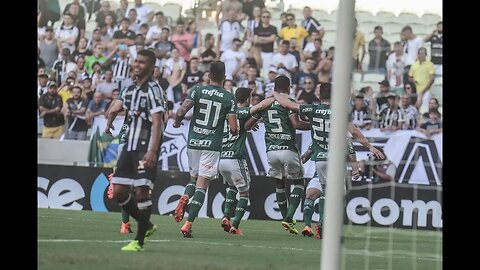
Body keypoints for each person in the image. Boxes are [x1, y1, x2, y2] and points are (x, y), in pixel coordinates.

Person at [273, 82, 385, 237]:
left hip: (319, 159)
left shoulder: (311, 109)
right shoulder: (339, 112)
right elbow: (354, 132)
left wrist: (275, 94)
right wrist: (370, 147)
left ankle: (320, 224)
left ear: (319, 95)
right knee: (337, 196)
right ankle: (323, 224)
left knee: (325, 191)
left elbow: (286, 104)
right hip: (336, 160)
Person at [105, 49, 166, 251]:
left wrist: (152, 151)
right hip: (128, 147)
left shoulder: (154, 90)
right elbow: (120, 110)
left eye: (142, 62)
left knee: (141, 193)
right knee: (119, 192)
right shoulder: (129, 90)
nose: (137, 64)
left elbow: (157, 122)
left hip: (144, 148)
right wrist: (111, 118)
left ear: (151, 67)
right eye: (136, 61)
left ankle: (139, 241)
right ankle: (146, 225)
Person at [172, 61, 238, 238]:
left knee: (192, 180)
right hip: (212, 145)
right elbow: (233, 129)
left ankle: (185, 197)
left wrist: (177, 122)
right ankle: (188, 224)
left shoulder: (197, 90)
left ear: (209, 75)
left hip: (193, 142)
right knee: (202, 186)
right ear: (224, 77)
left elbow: (182, 110)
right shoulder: (229, 97)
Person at [244, 75, 310, 235]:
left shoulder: (266, 102)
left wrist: (255, 124)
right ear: (288, 87)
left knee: (280, 184)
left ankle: (285, 219)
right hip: (288, 148)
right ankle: (288, 217)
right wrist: (315, 125)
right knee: (299, 183)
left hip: (271, 150)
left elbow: (247, 125)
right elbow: (296, 124)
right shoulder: (288, 101)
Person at [219, 87, 276, 235]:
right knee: (244, 193)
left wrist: (252, 122)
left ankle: (226, 217)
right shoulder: (242, 111)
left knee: (232, 186)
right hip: (235, 158)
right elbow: (260, 107)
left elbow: (245, 125)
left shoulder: (226, 112)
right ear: (247, 99)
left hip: (221, 158)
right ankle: (235, 226)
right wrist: (275, 96)